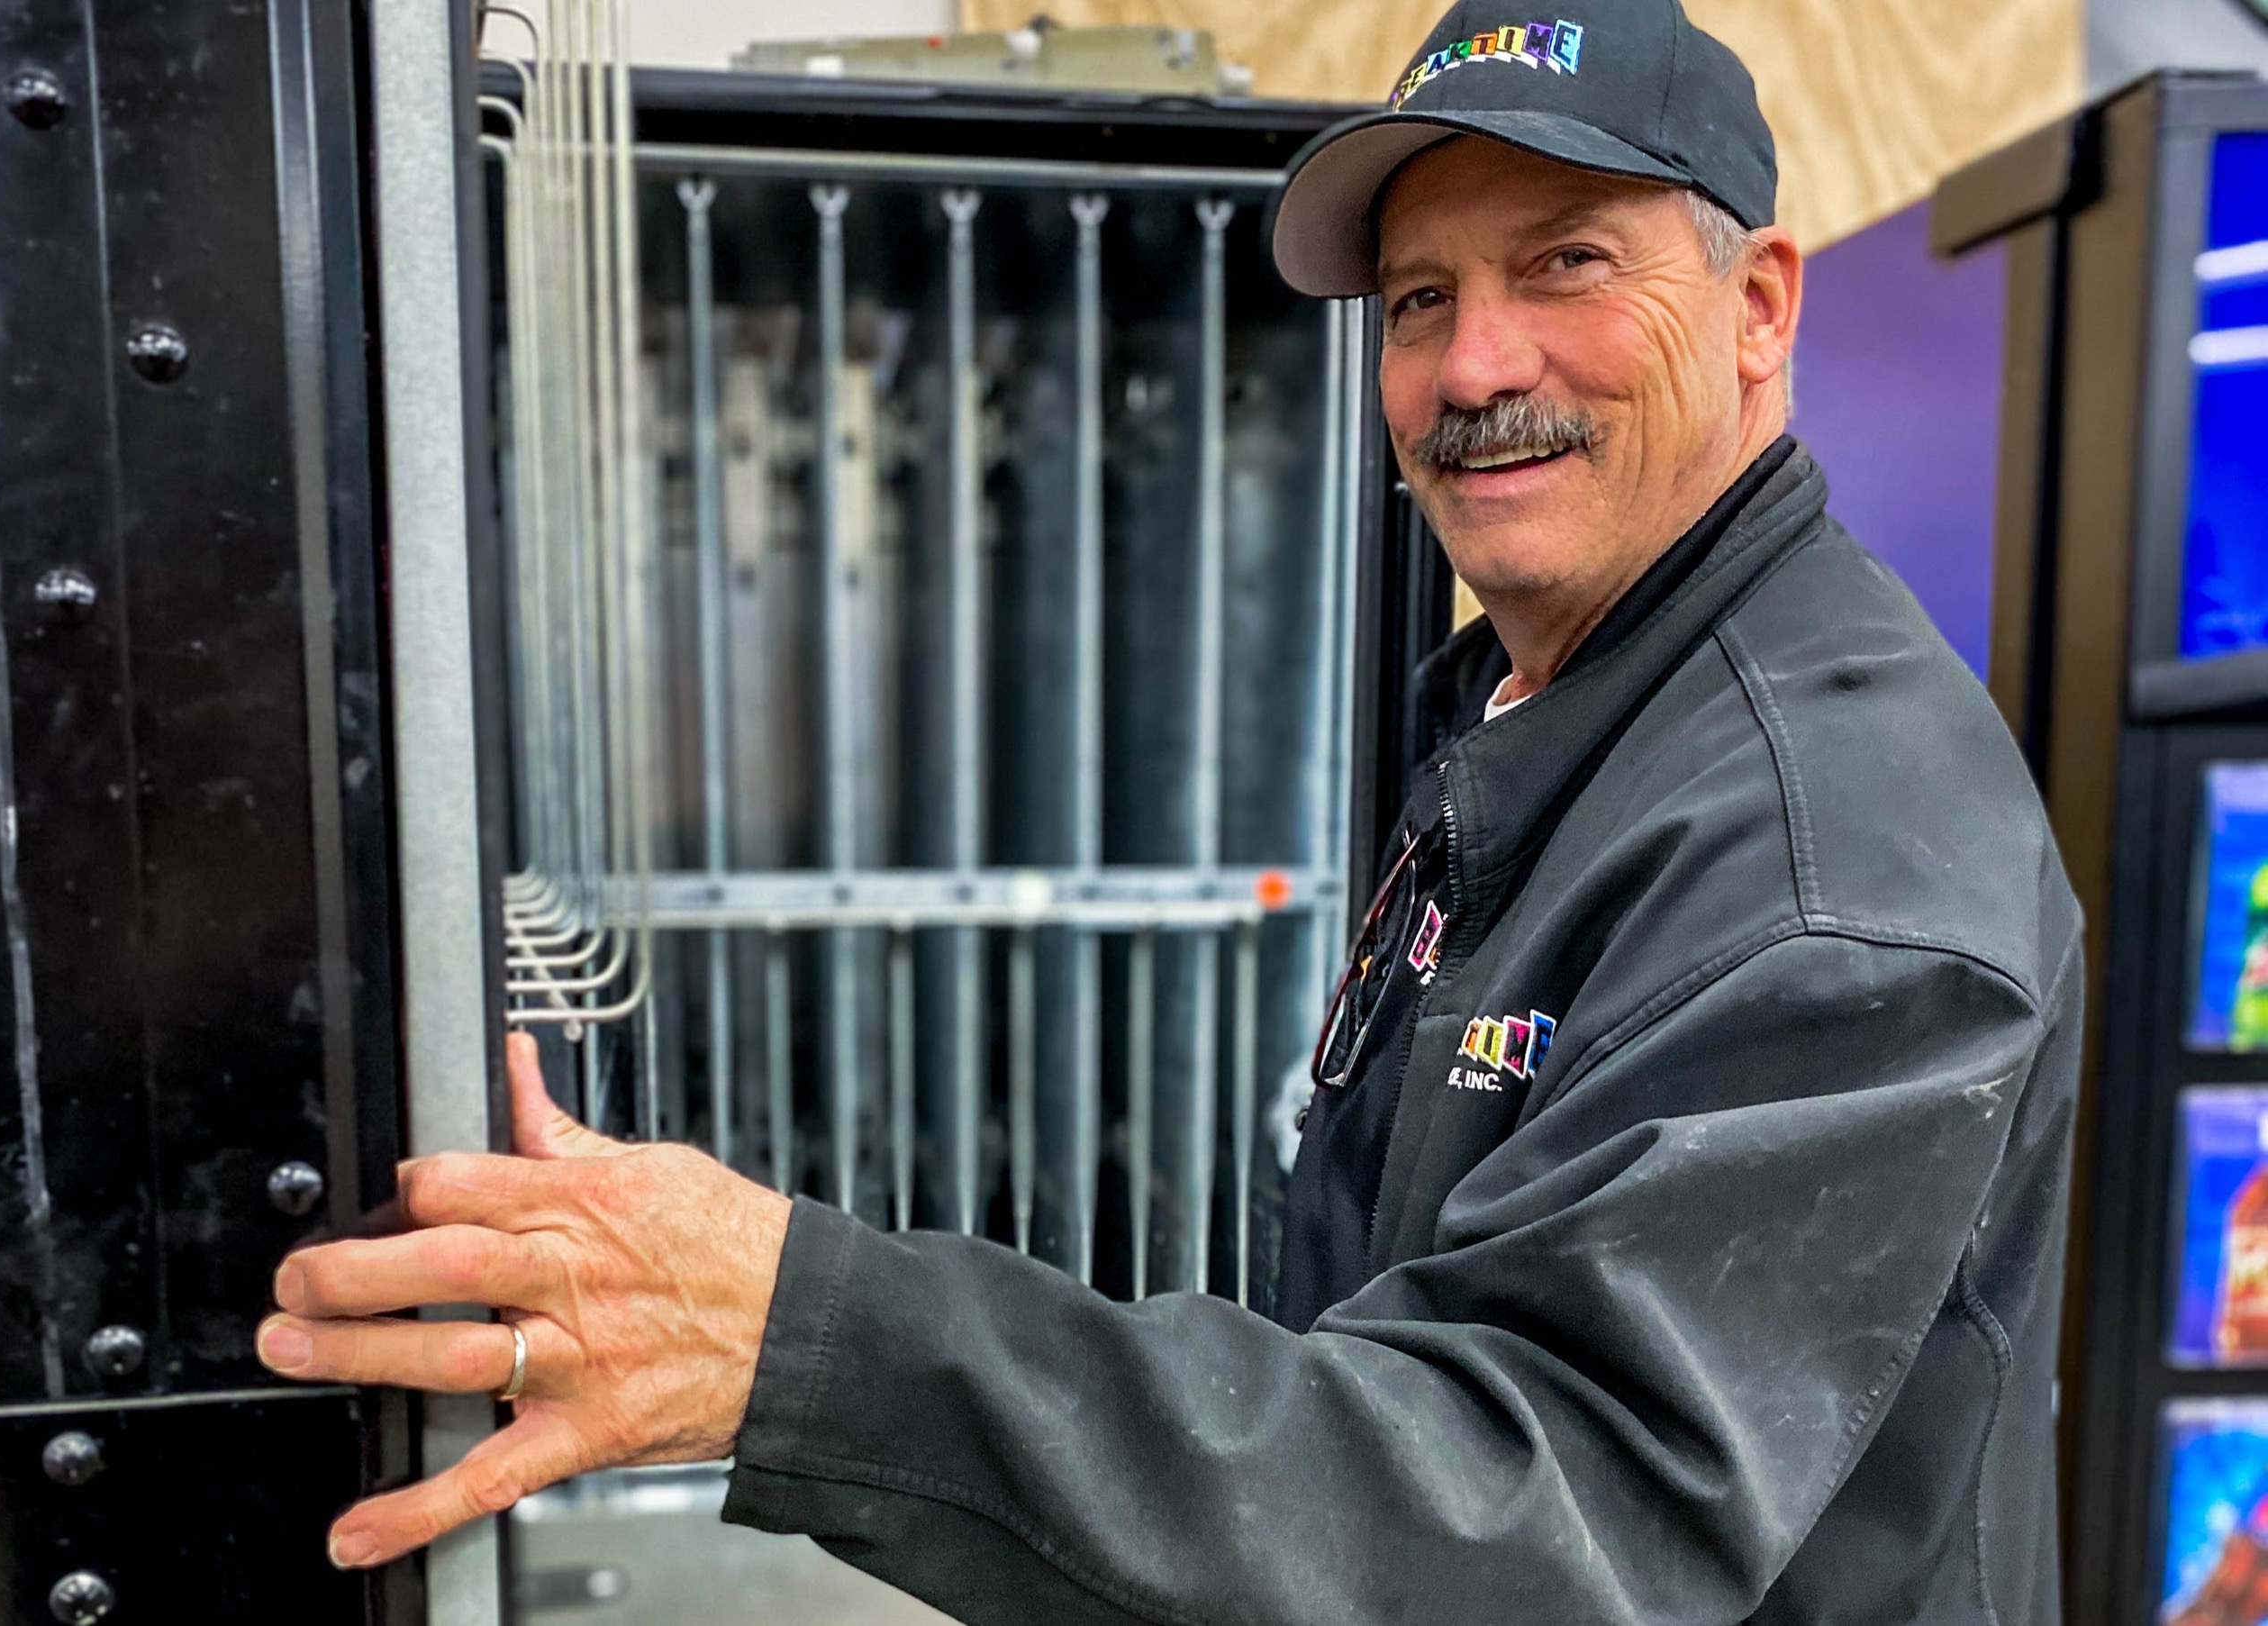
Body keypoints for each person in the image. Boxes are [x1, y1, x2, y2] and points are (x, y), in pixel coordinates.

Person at [258, 2, 2082, 1620]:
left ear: (1756, 303)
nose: (1470, 370)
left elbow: (1531, 1528)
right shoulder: (1534, 713)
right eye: (1423, 299)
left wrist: (799, 1339)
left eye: (1565, 266)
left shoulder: (1830, 867)